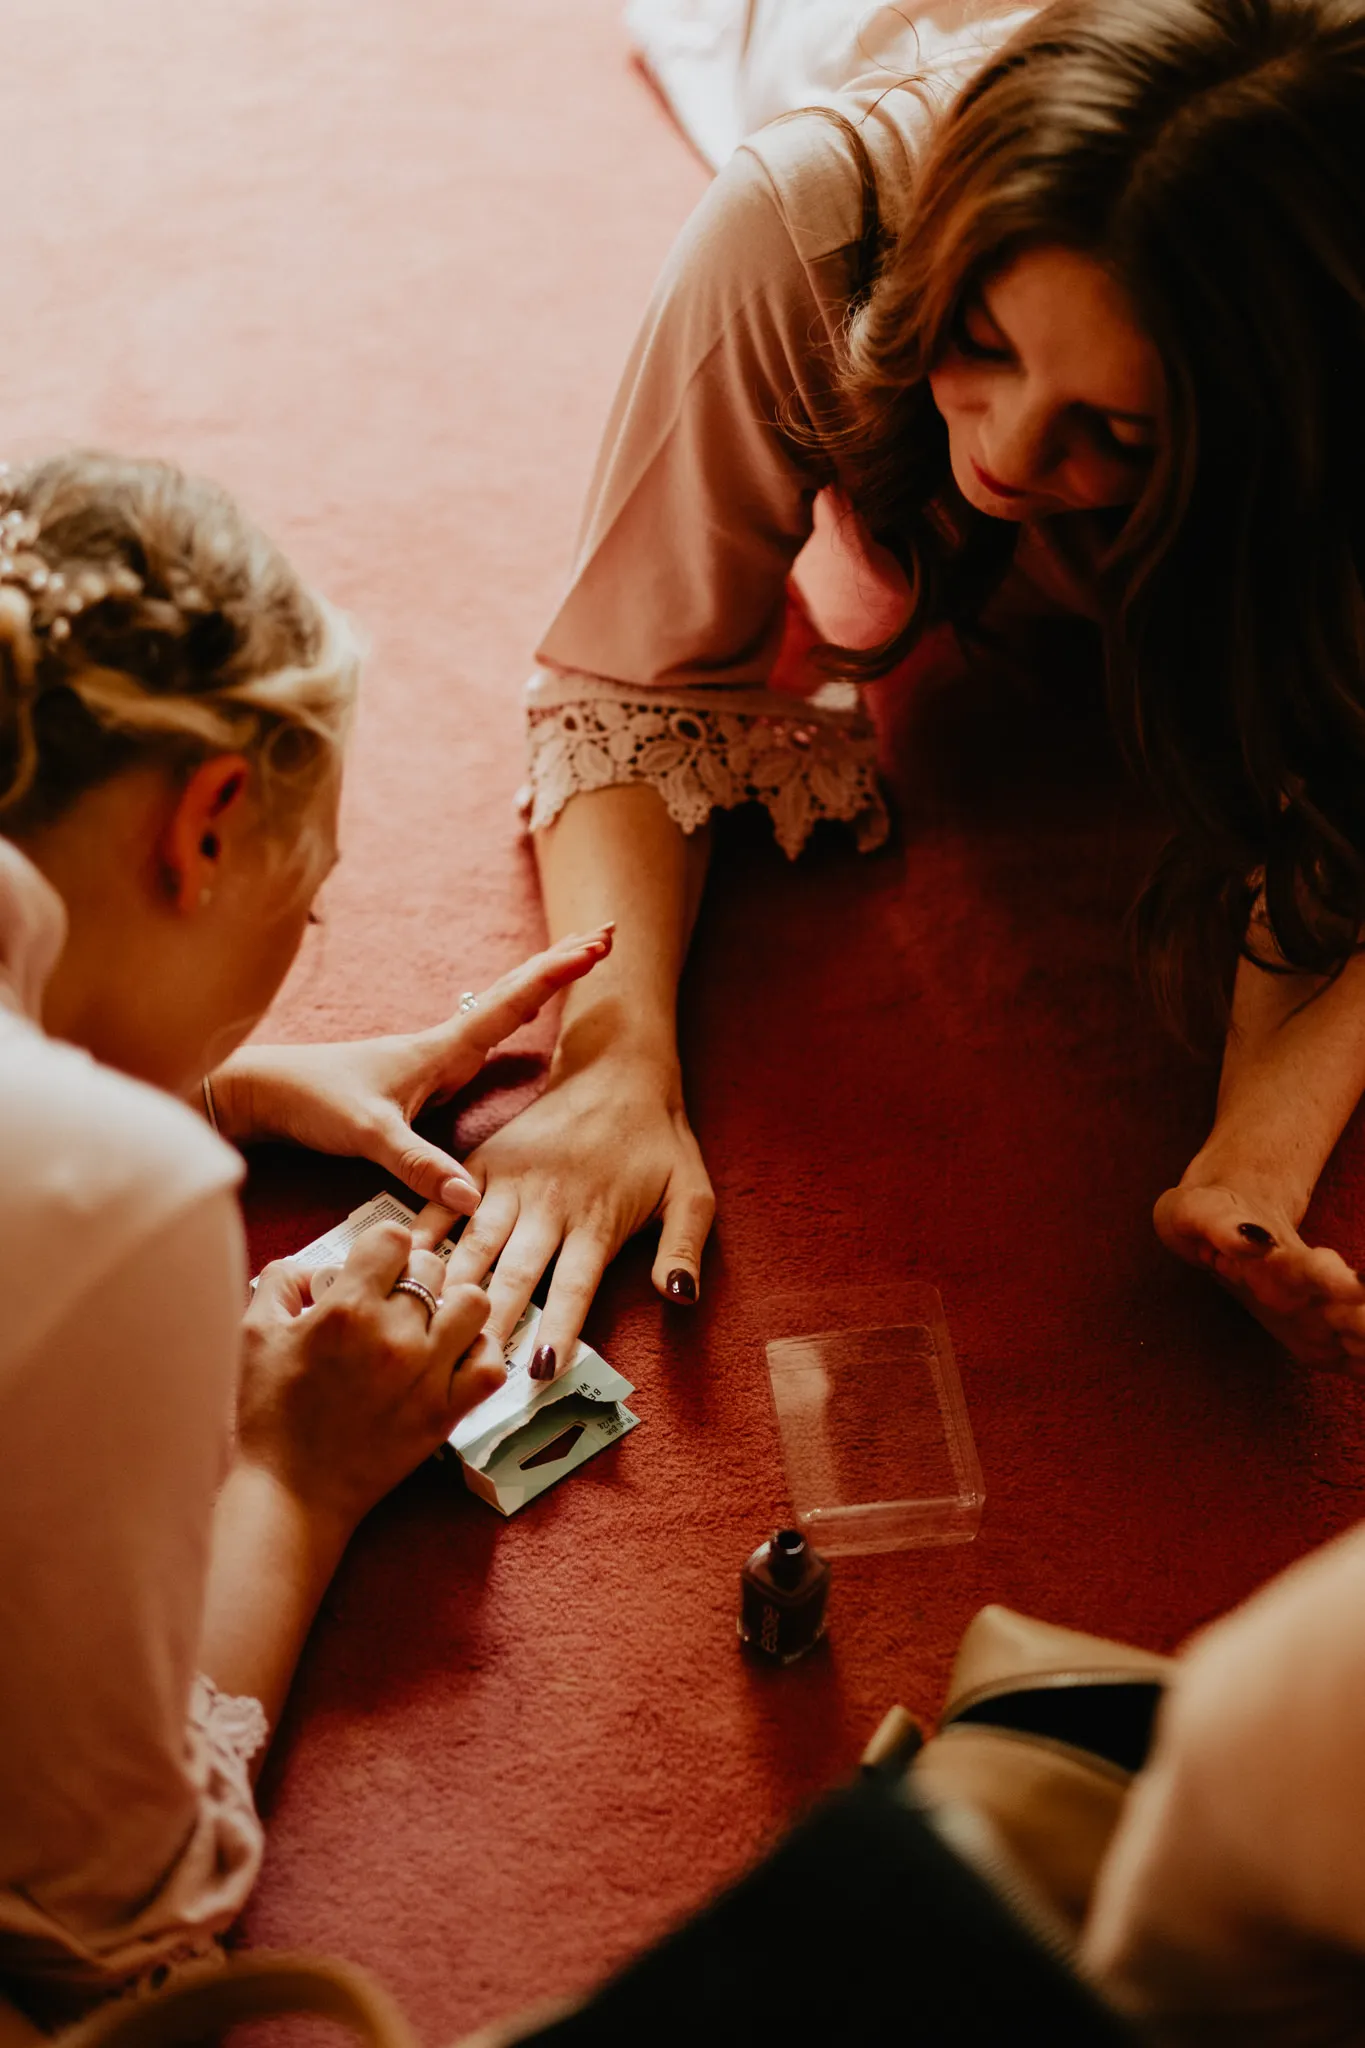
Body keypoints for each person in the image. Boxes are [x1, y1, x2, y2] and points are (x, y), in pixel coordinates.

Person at [435, 0, 1365, 1380]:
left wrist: (1255, 1160)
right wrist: (616, 1060)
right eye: (975, 339)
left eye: (1110, 434)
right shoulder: (804, 220)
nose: (998, 446)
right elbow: (630, 674)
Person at [0, 449, 613, 2021]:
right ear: (207, 823)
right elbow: (109, 1933)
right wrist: (294, 1477)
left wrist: (217, 1081)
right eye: (313, 905)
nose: (308, 944)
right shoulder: (121, 1201)